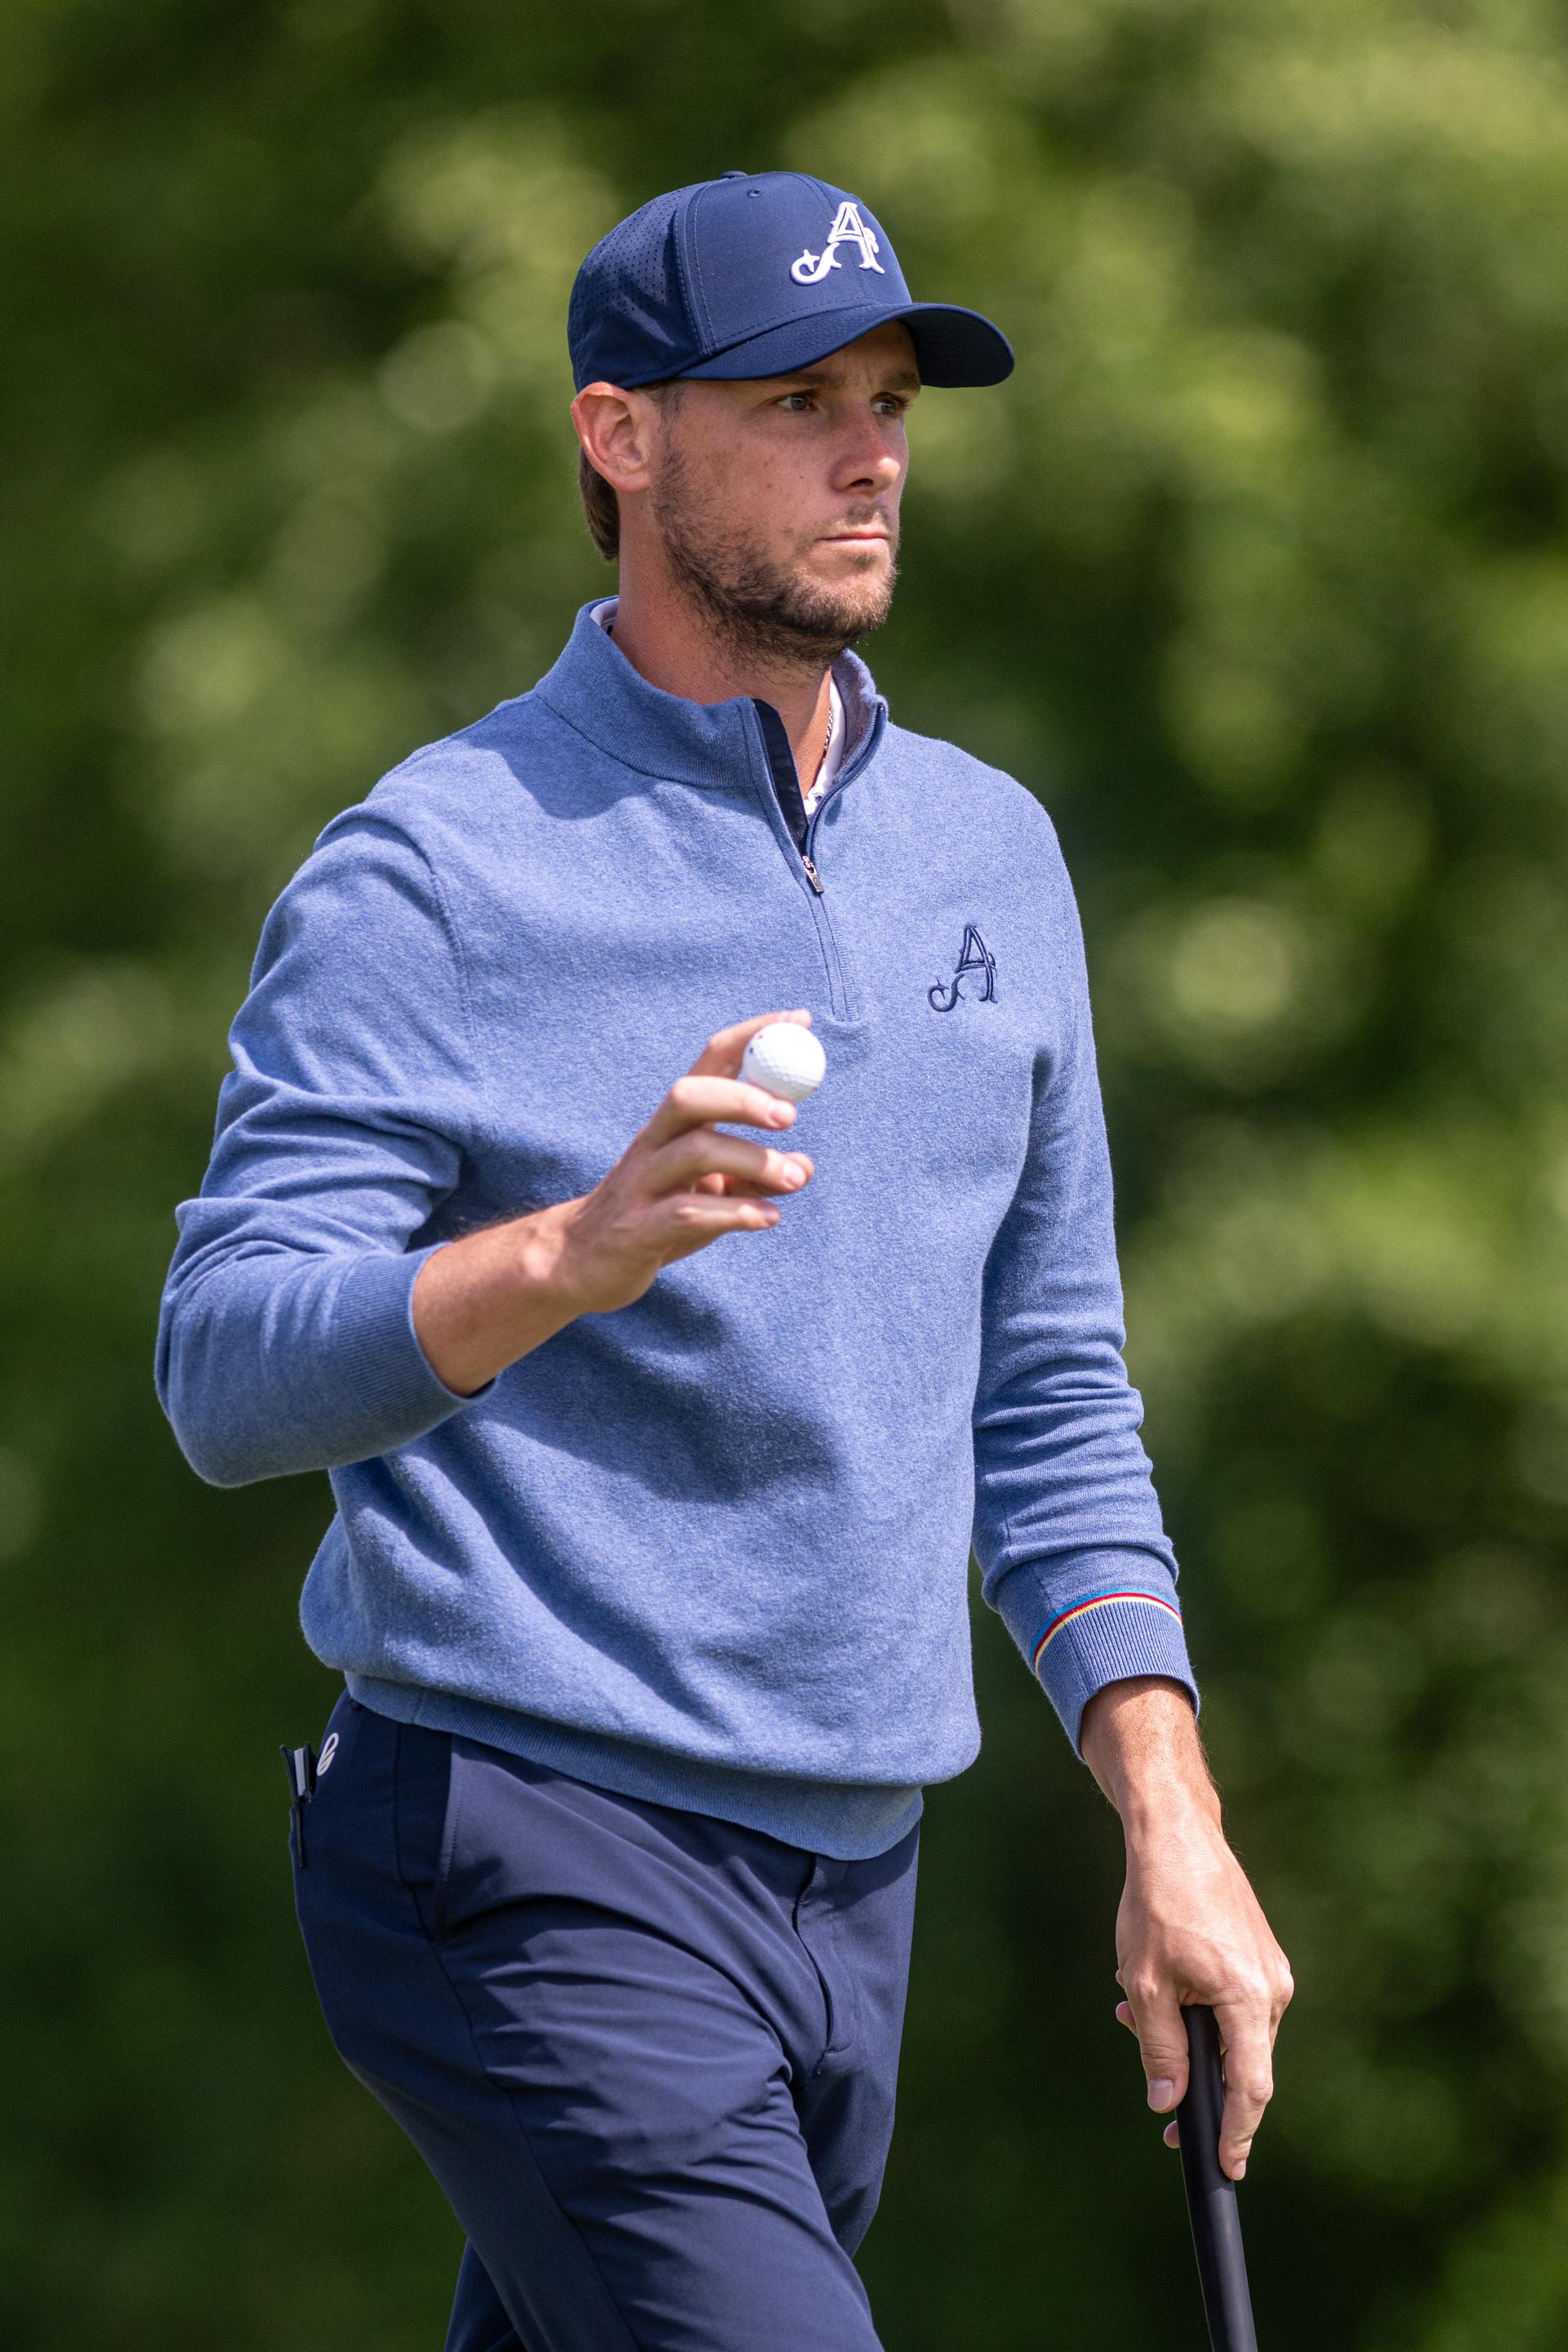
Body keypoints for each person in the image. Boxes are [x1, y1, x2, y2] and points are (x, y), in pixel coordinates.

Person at [155, 169, 1291, 2352]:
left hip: (858, 1883)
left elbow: (1046, 1402)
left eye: (889, 399)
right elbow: (223, 1371)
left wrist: (1175, 1814)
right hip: (518, 1841)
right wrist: (570, 1253)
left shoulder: (991, 853)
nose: (869, 450)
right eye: (793, 399)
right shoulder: (433, 867)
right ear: (621, 439)